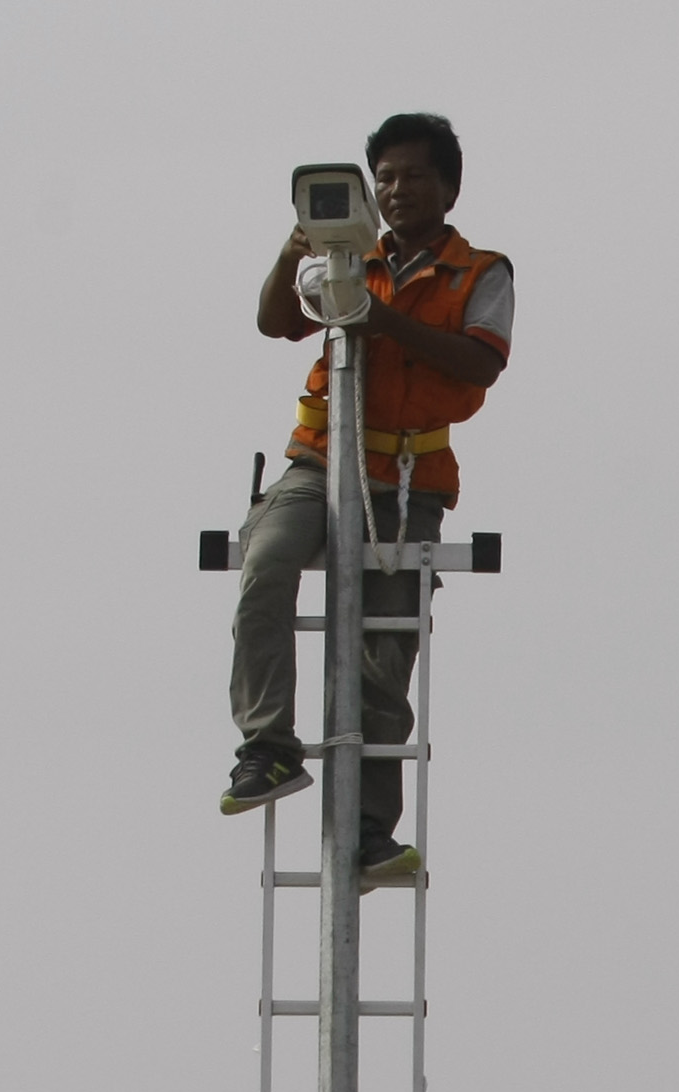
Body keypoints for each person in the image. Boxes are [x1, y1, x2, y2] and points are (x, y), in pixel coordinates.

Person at [222, 114, 511, 887]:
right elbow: (273, 322)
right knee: (265, 571)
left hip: (407, 479)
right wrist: (294, 252)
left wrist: (381, 319)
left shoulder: (478, 274)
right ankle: (267, 744)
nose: (394, 190)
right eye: (382, 177)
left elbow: (479, 365)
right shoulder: (346, 257)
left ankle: (367, 835)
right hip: (318, 463)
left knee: (382, 664)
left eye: (412, 176)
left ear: (448, 187)